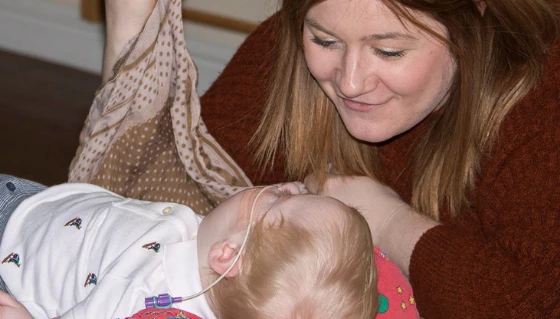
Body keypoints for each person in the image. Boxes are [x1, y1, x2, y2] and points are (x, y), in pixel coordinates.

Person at [103, 0, 560, 318]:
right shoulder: (285, 56)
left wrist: (388, 220)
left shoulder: (542, 100)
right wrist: (130, 35)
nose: (351, 82)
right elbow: (139, 207)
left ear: (476, 15)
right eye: (324, 41)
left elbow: (522, 305)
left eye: (388, 51)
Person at [0, 174, 412, 319]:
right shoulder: (219, 252)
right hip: (47, 203)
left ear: (228, 255)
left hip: (14, 249)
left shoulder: (143, 294)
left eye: (282, 199)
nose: (285, 185)